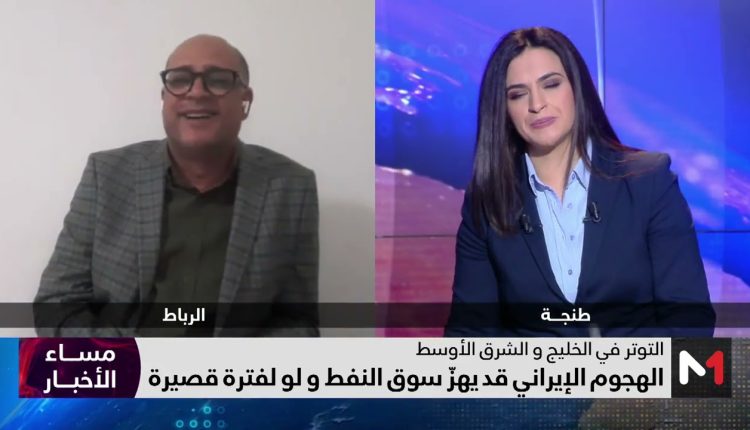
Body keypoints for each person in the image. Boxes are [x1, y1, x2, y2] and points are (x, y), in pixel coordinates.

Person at [34, 34, 319, 337]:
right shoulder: (106, 175)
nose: (197, 91)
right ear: (164, 98)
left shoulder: (291, 188)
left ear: (245, 101)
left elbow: (298, 322)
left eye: (219, 80)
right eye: (180, 80)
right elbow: (57, 303)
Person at [445, 27, 714, 337]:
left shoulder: (648, 182)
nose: (537, 104)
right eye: (518, 94)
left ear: (577, 88)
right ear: (503, 110)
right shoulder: (487, 203)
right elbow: (470, 336)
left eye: (551, 84)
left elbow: (688, 320)